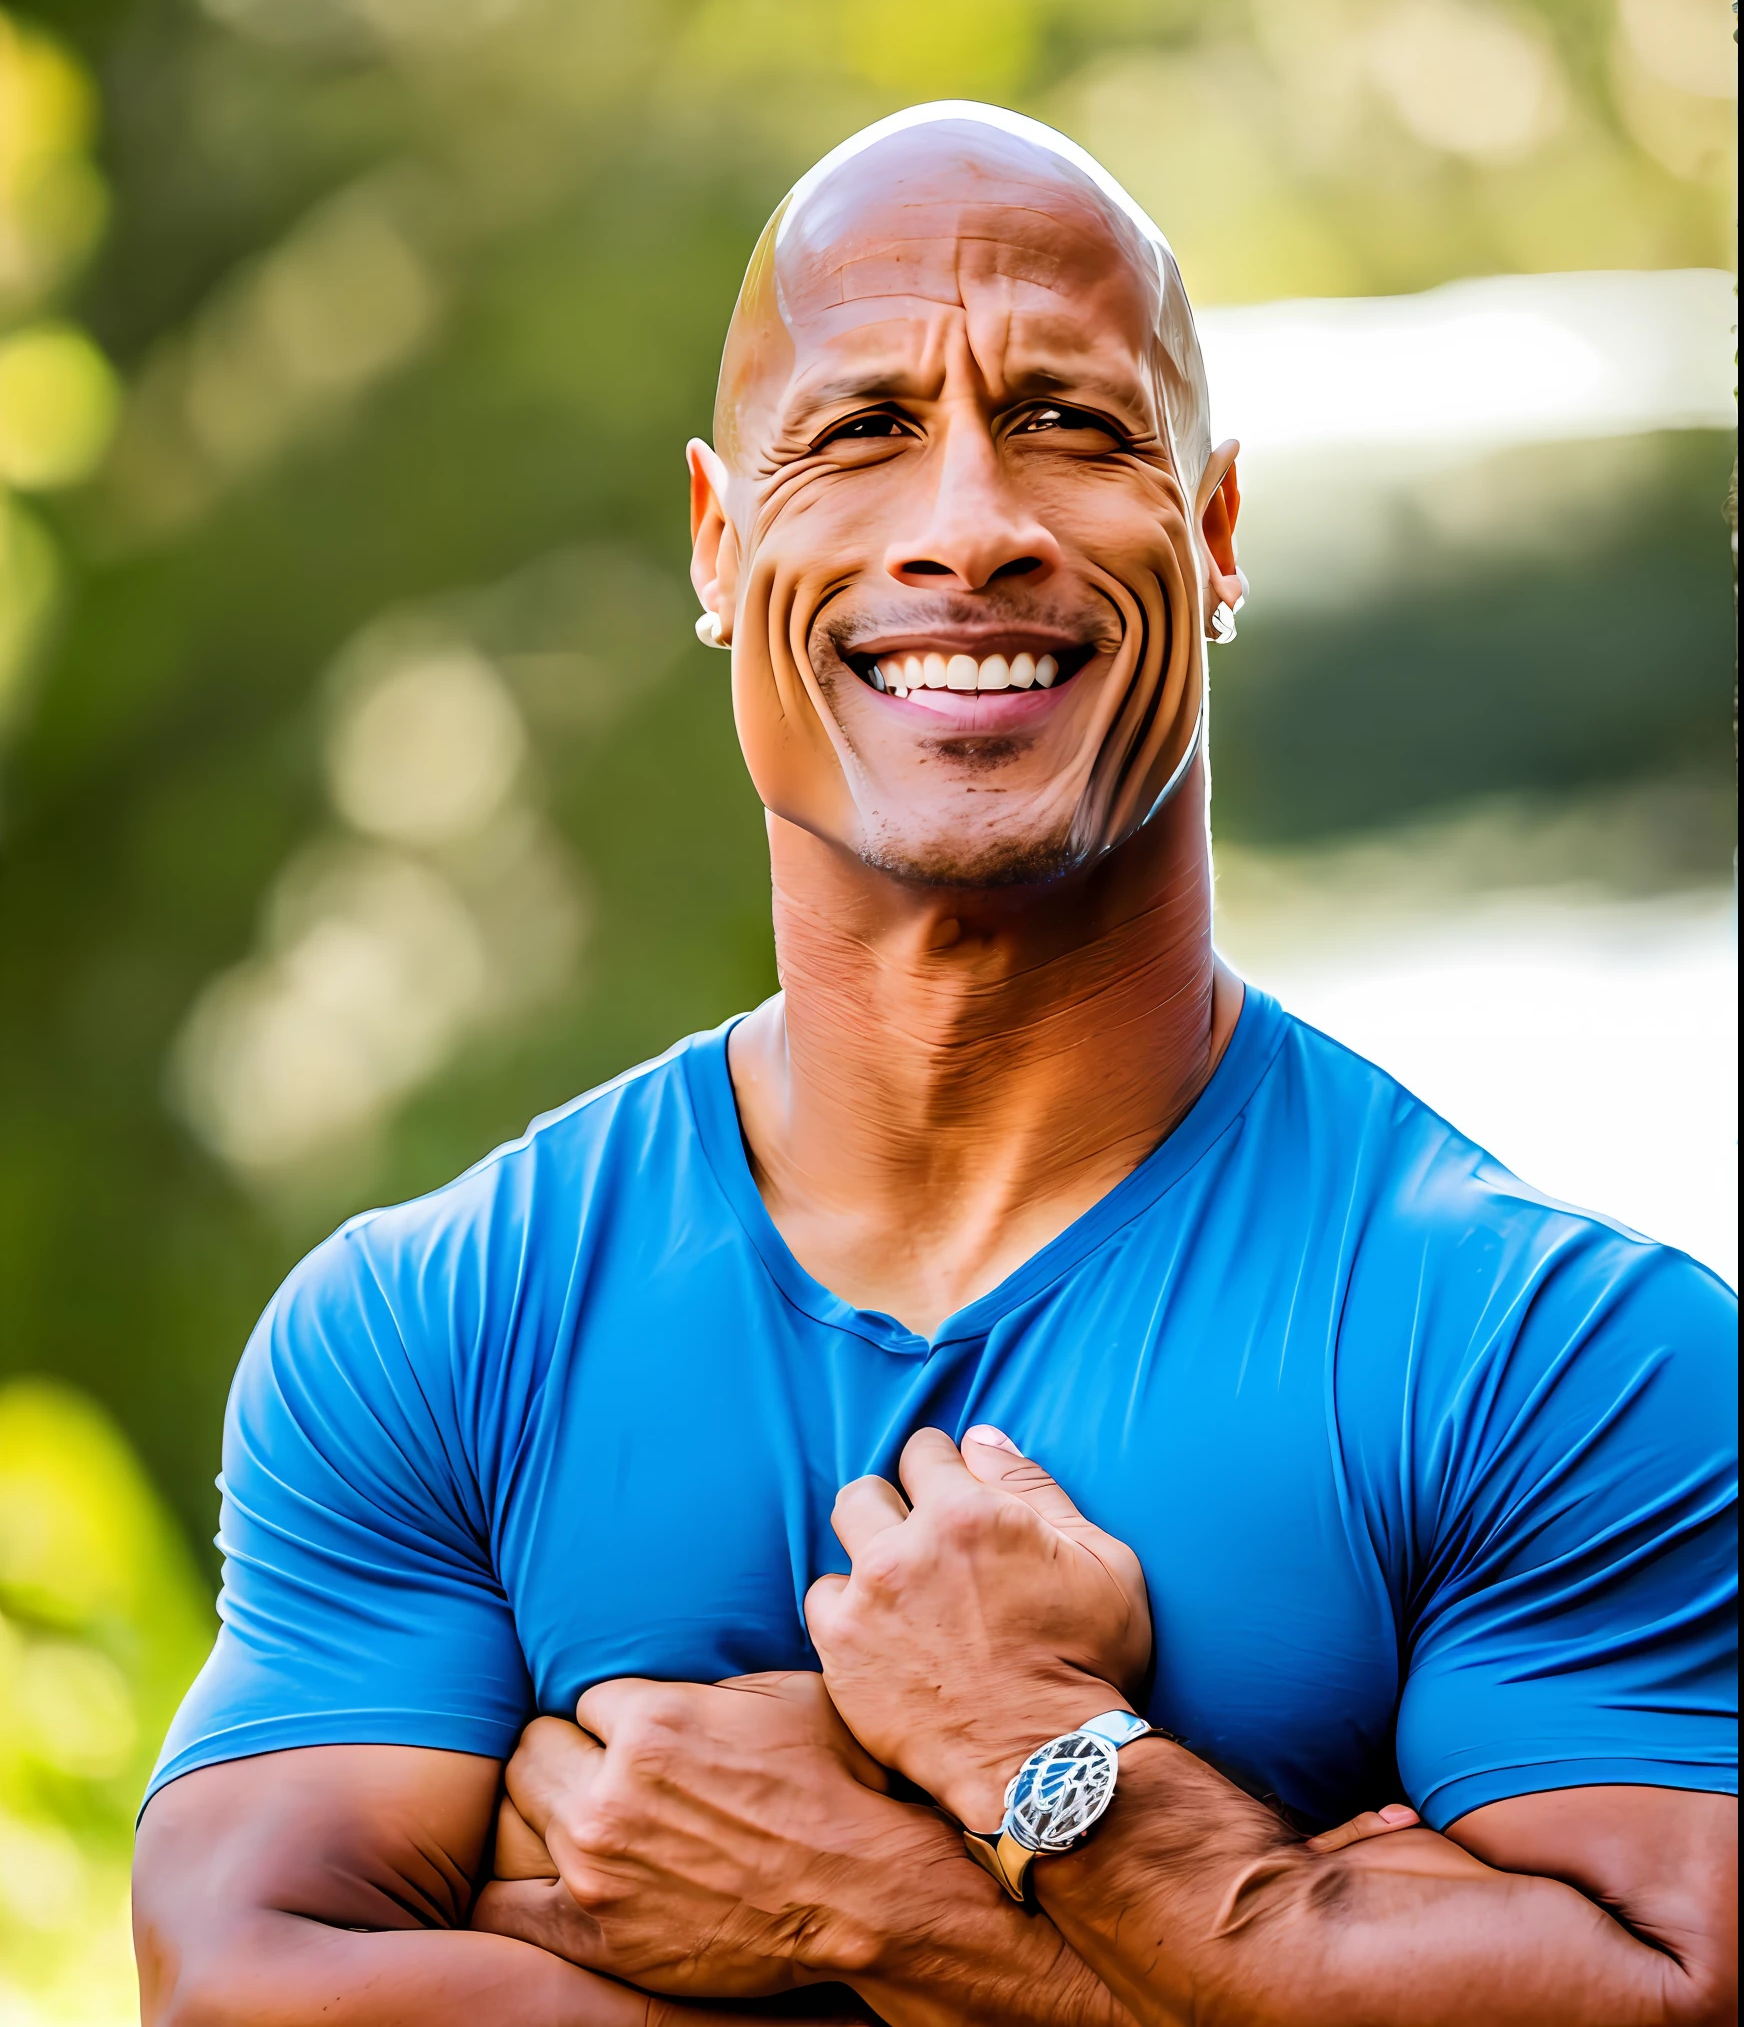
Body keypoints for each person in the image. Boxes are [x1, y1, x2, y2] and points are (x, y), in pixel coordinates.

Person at [132, 104, 1737, 2027]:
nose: (970, 523)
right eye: (865, 428)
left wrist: (961, 1826)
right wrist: (1260, 1935)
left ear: (1214, 534)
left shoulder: (1553, 1356)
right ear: (725, 547)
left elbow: (1664, 2002)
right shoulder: (432, 1334)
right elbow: (240, 1984)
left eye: (1072, 421)